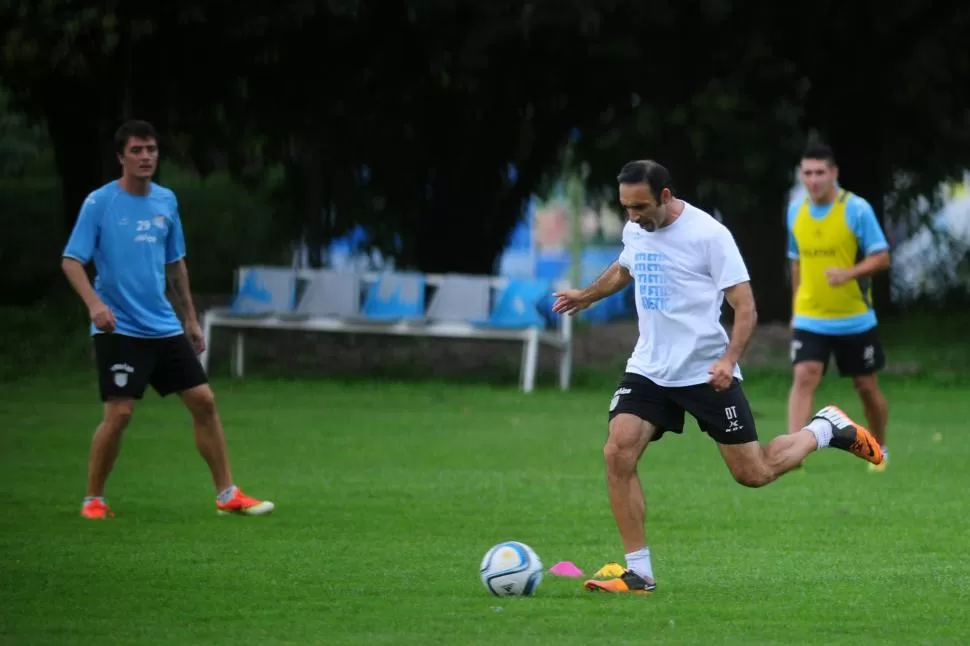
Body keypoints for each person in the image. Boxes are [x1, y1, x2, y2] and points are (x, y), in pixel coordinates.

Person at [552, 159, 883, 594]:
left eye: (640, 206)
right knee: (617, 452)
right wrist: (587, 296)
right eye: (626, 207)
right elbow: (625, 267)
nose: (631, 216)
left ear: (665, 197)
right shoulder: (637, 228)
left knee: (755, 472)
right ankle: (640, 573)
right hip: (650, 367)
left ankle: (826, 429)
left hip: (705, 371)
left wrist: (728, 359)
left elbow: (745, 307)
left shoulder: (709, 235)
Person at [61, 119, 275, 519]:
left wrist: (191, 319)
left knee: (204, 401)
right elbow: (71, 261)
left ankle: (227, 493)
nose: (146, 157)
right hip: (118, 326)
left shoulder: (166, 201)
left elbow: (175, 265)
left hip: (162, 325)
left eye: (151, 150)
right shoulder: (100, 202)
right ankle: (93, 500)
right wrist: (94, 304)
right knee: (120, 412)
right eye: (137, 151)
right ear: (121, 156)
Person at [786, 144, 891, 472]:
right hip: (810, 316)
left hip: (855, 319)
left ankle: (879, 446)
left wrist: (849, 273)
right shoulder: (795, 211)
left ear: (833, 174)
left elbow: (881, 256)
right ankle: (793, 454)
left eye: (820, 172)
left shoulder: (856, 209)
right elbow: (796, 262)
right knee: (804, 376)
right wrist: (796, 307)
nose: (813, 180)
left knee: (866, 386)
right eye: (807, 173)